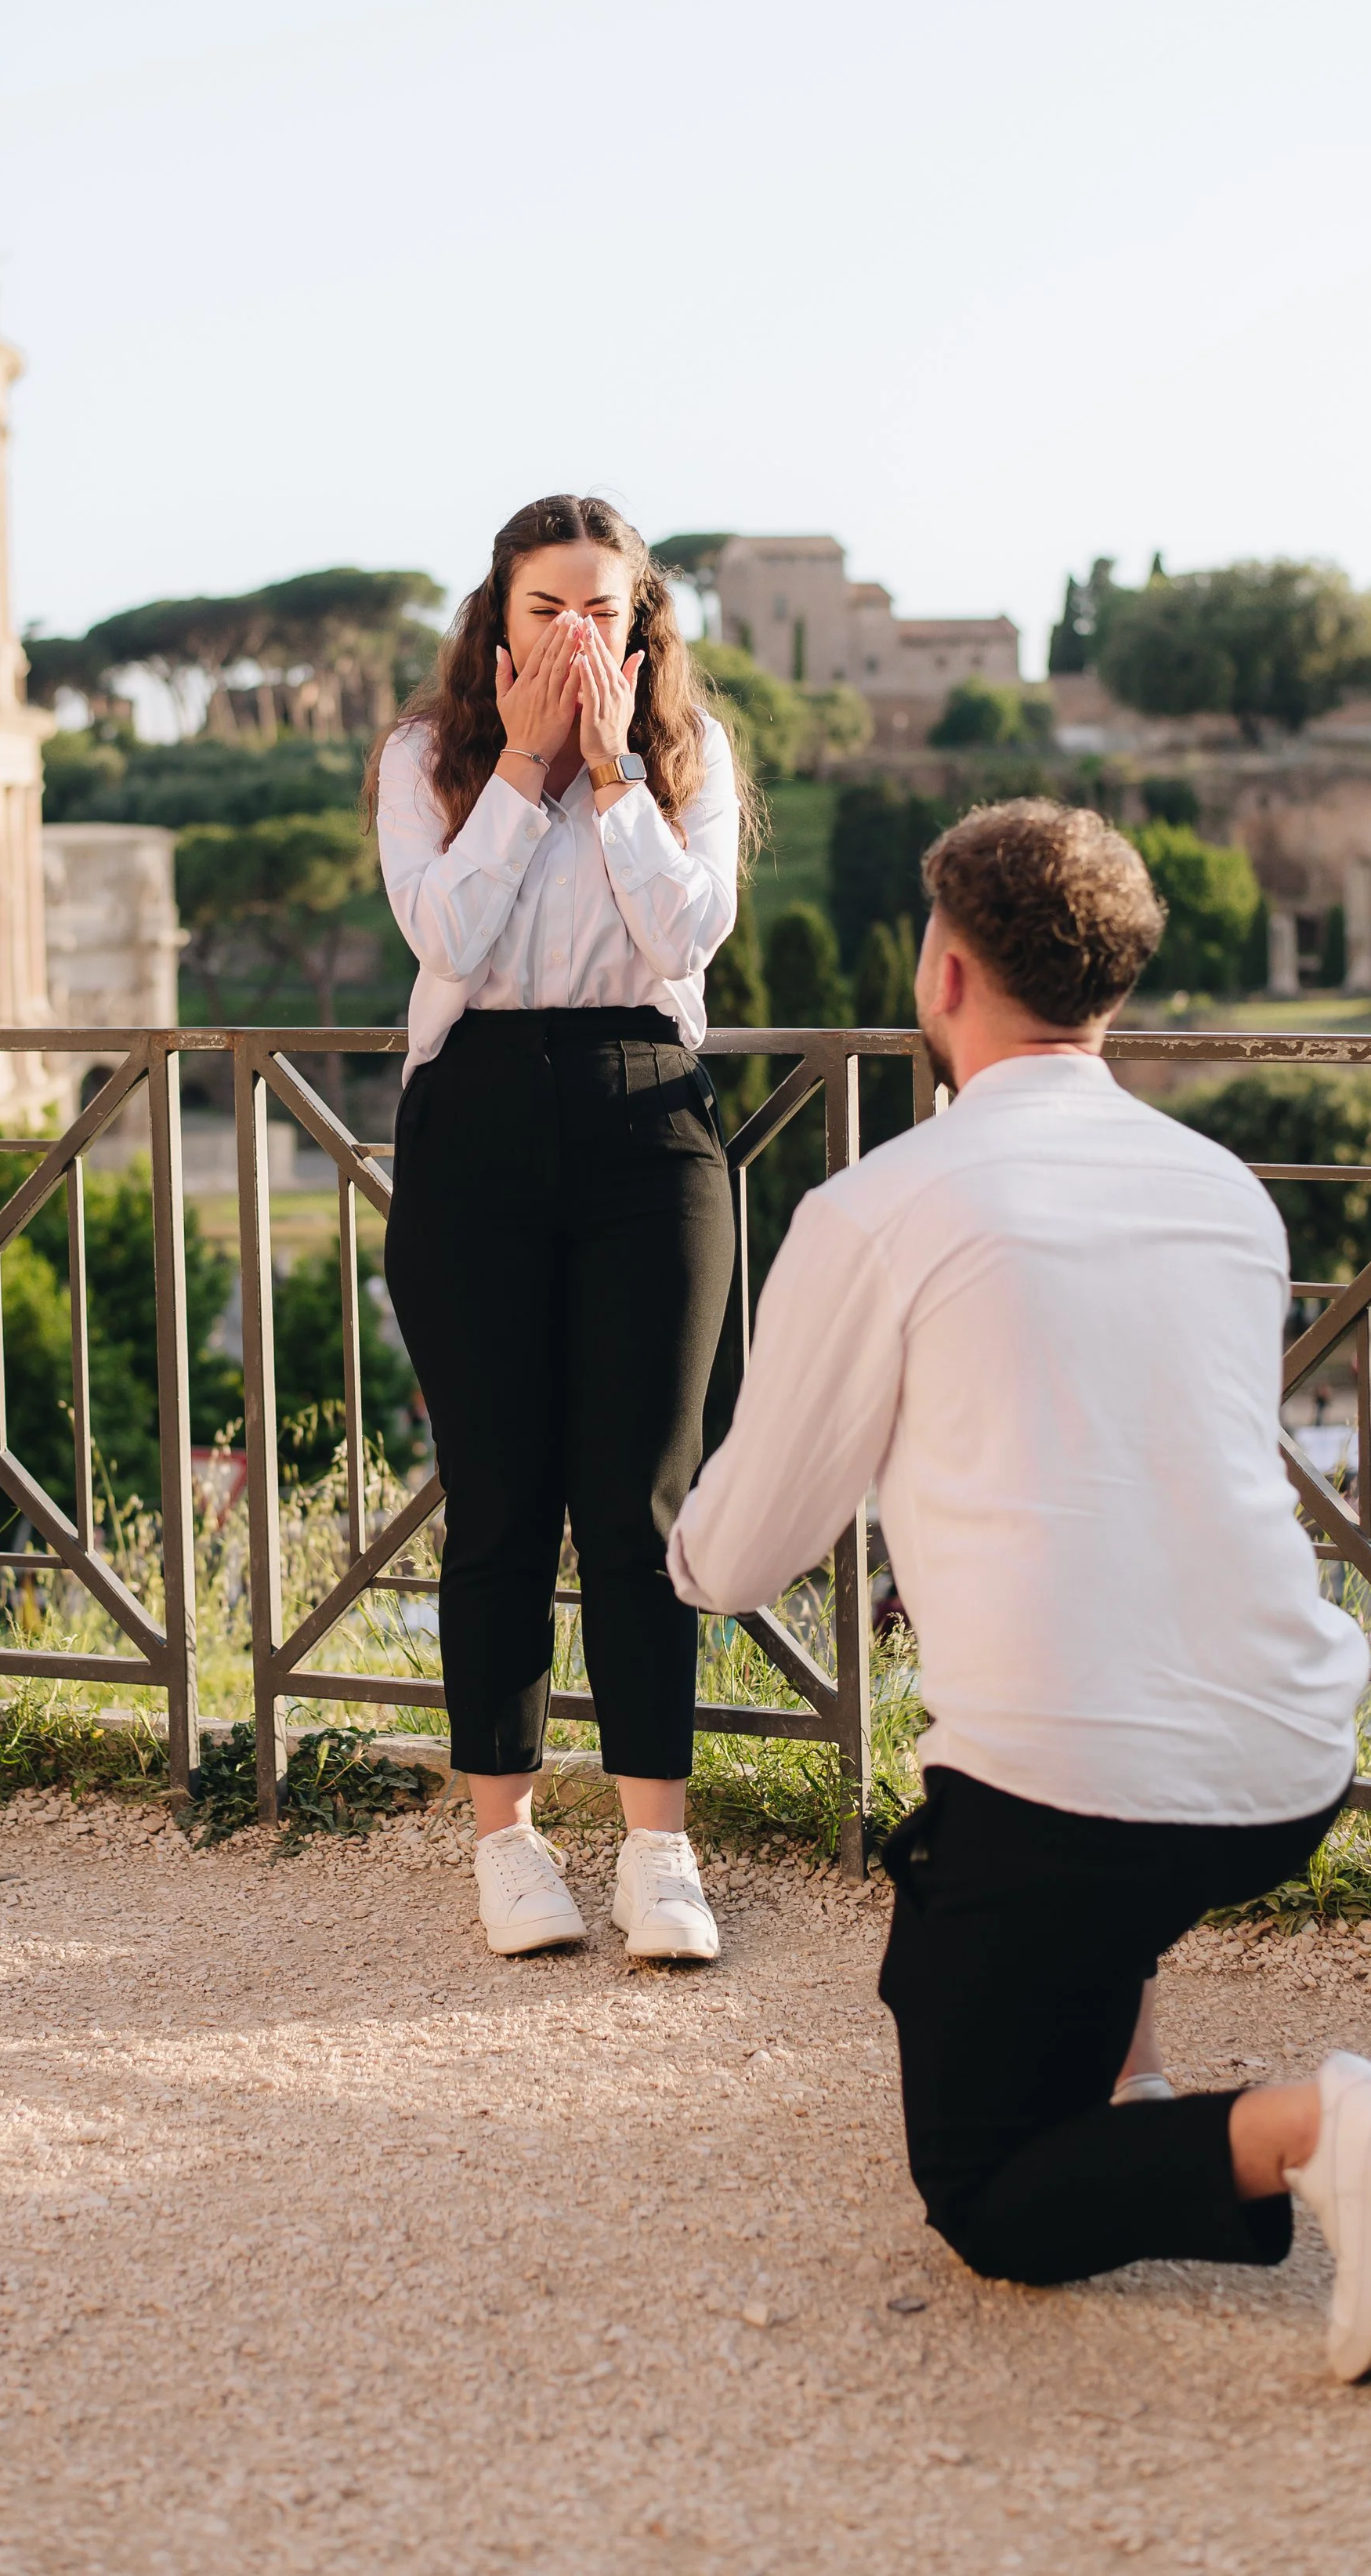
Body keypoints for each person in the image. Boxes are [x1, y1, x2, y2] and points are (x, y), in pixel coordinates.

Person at [667, 798, 1371, 2382]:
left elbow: (740, 1557)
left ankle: (1319, 2129)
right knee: (1066, 1858)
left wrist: (667, 1537)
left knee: (984, 2198)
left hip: (1073, 1795)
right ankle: (1140, 2087)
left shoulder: (878, 1210)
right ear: (1107, 992)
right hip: (1289, 1756)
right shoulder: (1225, 1195)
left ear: (944, 978)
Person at [369, 492, 749, 1963]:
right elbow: (448, 939)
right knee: (501, 1500)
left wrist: (609, 774)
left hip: (645, 1115)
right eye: (549, 612)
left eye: (606, 613)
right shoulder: (426, 756)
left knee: (643, 1499)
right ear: (500, 619)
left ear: (642, 625)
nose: (577, 637)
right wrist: (525, 766)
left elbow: (686, 938)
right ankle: (509, 1840)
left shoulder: (686, 754)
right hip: (473, 1117)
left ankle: (660, 1849)